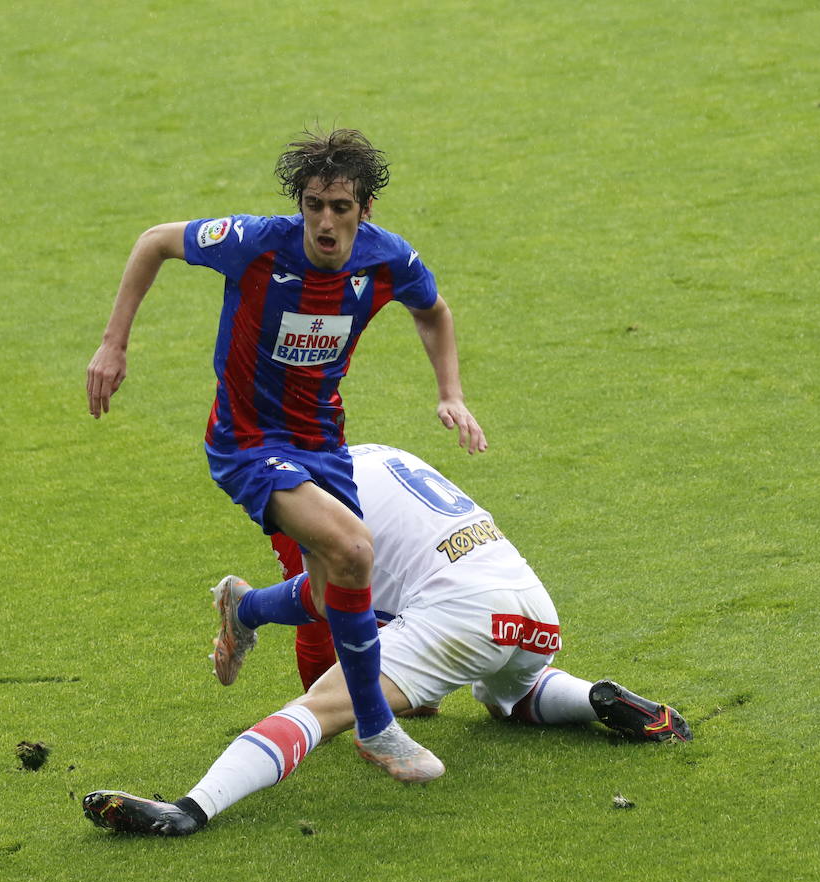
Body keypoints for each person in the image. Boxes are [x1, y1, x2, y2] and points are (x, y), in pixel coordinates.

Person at [86, 128, 487, 770]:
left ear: (365, 211)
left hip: (323, 441)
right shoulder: (253, 244)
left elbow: (433, 311)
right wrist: (115, 343)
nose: (324, 222)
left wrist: (452, 394)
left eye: (341, 208)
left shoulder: (387, 261)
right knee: (355, 548)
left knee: (334, 595)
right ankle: (376, 728)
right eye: (313, 205)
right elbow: (154, 241)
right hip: (247, 441)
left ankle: (243, 608)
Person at [82, 444, 692, 837]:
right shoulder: (382, 457)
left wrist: (350, 692)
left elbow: (325, 605)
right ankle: (597, 699)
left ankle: (191, 809)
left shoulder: (314, 498)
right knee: (516, 694)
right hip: (532, 607)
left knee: (320, 708)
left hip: (460, 614)